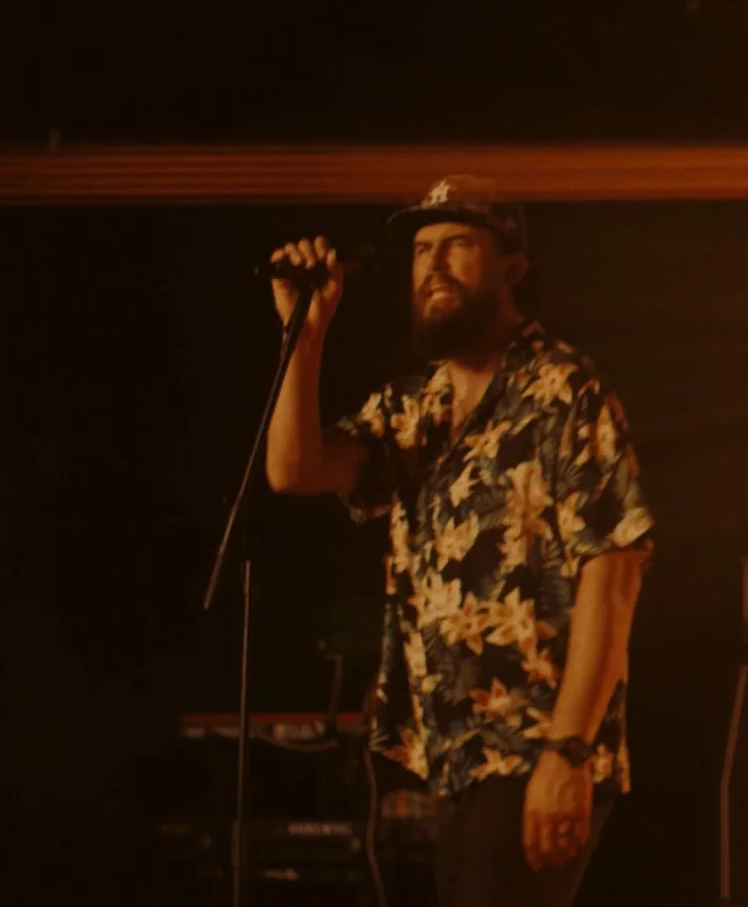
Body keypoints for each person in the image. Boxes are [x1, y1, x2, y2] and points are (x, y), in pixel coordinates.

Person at [263, 176, 654, 907]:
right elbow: (295, 470)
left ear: (512, 267)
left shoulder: (563, 388)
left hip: (537, 748)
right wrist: (305, 334)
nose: (433, 264)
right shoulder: (414, 407)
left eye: (457, 245)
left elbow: (615, 572)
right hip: (451, 758)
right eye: (420, 250)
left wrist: (568, 751)